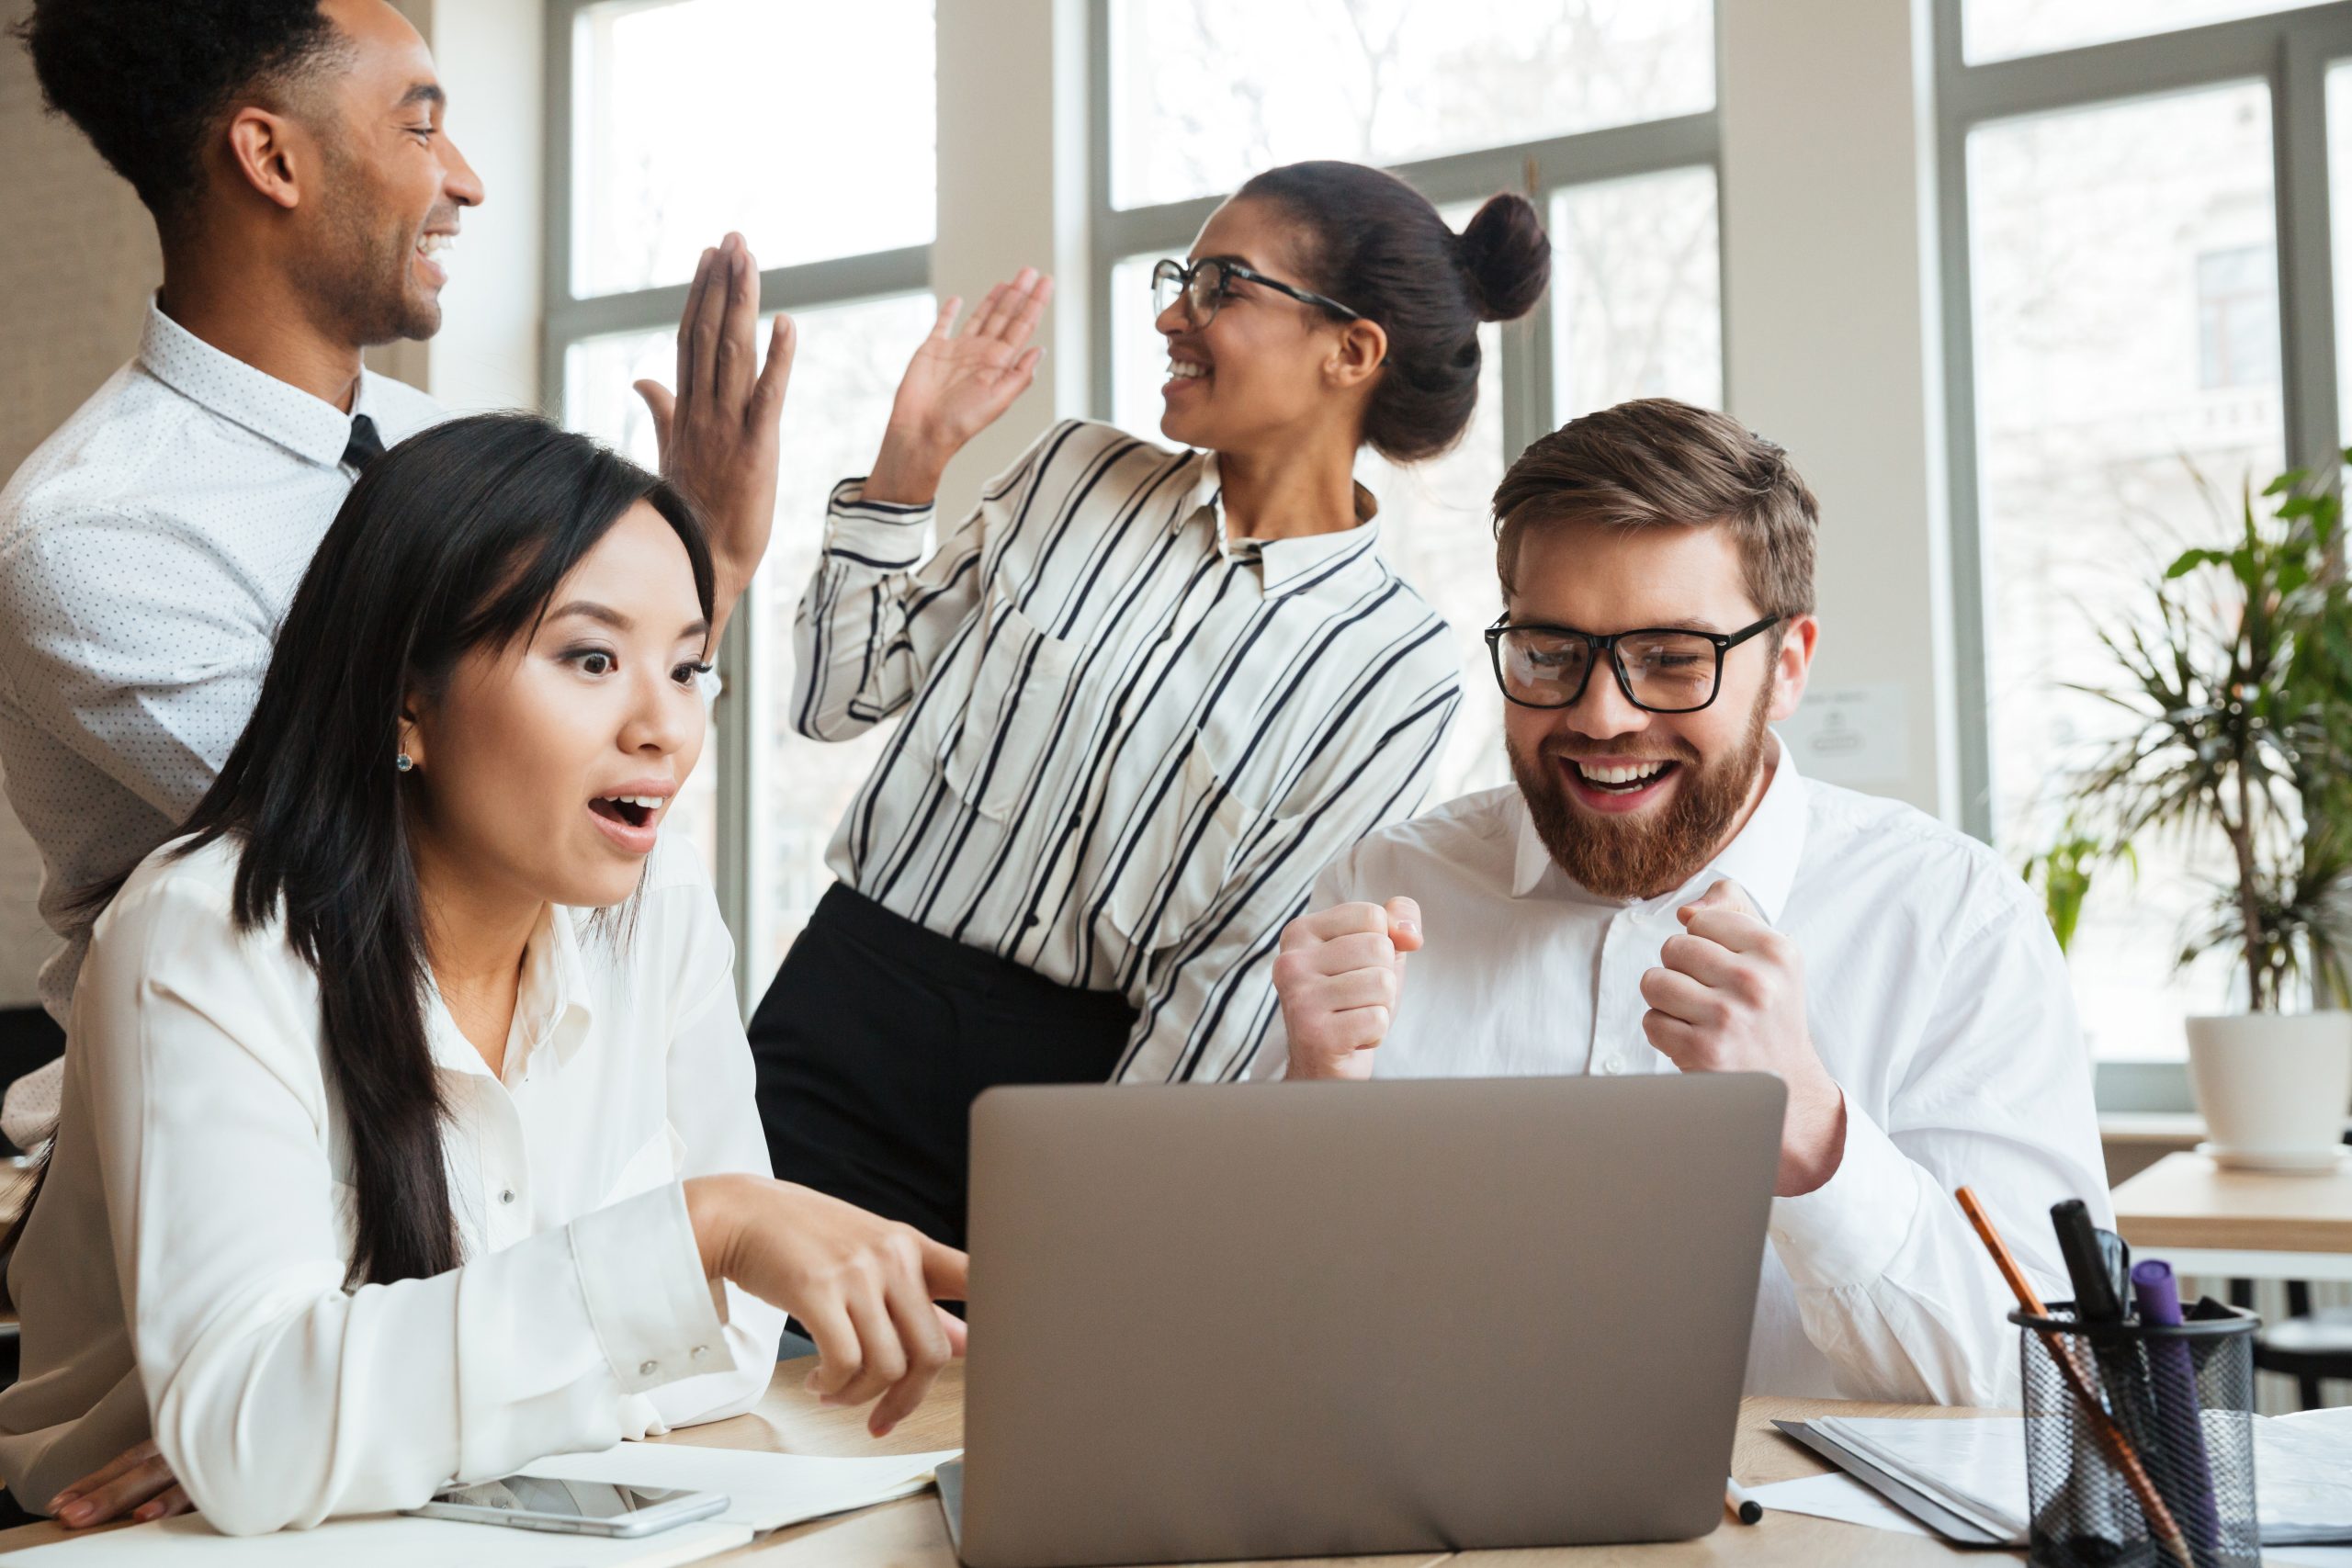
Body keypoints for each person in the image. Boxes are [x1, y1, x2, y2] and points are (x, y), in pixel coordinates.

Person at [0, 416, 964, 1535]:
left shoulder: (663, 911)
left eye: (690, 665)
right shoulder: (207, 930)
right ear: (405, 696)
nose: (664, 727)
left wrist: (362, 1428)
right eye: (591, 659)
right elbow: (260, 1438)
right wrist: (697, 1236)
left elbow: (733, 1355)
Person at [0, 0, 788, 1149]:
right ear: (272, 158)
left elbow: (582, 780)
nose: (464, 183)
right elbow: (411, 849)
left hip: (503, 1123)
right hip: (243, 1145)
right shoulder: (94, 536)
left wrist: (695, 573)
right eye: (421, 131)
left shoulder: (446, 443)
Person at [752, 161, 1550, 1247]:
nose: (1174, 314)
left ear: (1350, 351)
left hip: (1074, 1100)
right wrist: (911, 462)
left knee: (1007, 1415)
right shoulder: (1073, 473)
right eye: (1182, 277)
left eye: (1222, 285)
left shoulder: (1391, 669)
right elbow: (833, 699)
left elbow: (1230, 983)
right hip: (844, 1021)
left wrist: (1108, 1221)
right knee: (730, 1387)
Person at [1270, 399, 2109, 1406]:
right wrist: (1311, 1113)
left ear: (1786, 666)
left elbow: (2051, 1389)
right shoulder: (1382, 890)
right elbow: (1288, 1360)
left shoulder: (1954, 921)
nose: (1600, 714)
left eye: (1670, 658)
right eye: (1548, 653)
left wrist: (1807, 1129)